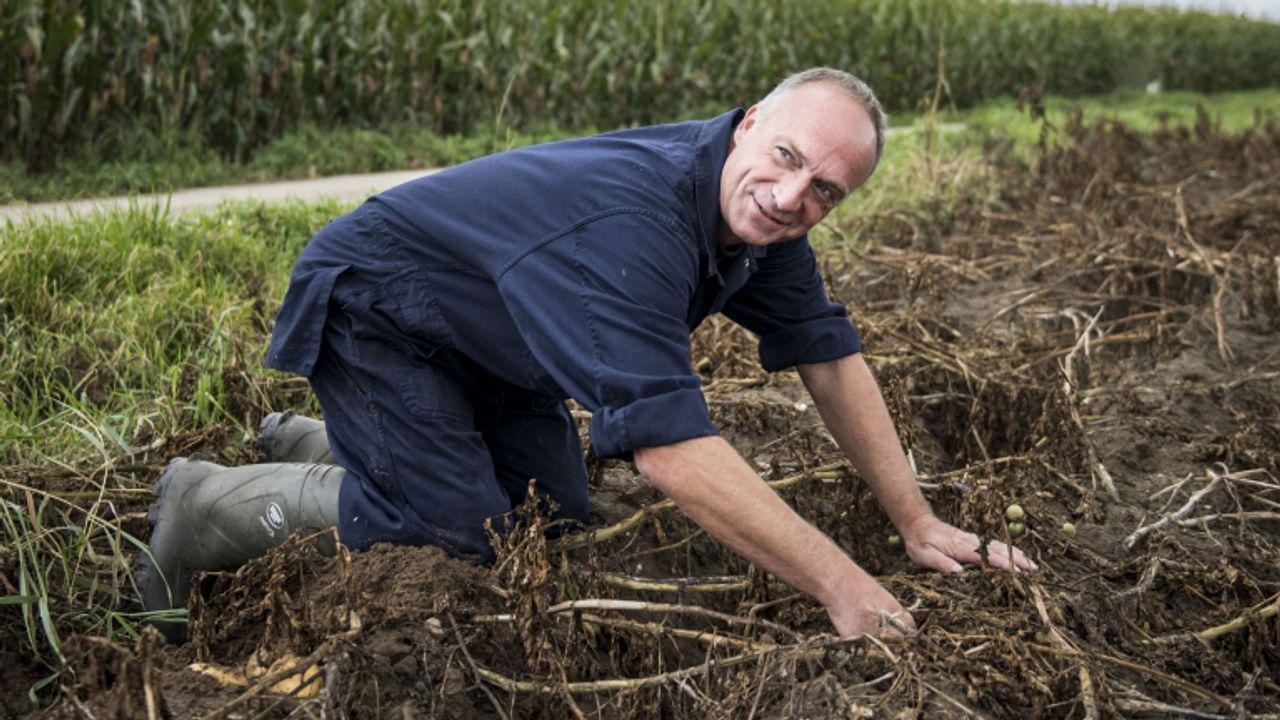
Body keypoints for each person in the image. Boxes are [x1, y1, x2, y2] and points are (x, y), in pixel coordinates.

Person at [138, 67, 1035, 644]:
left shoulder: (757, 224)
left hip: (492, 343)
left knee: (553, 512)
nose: (791, 195)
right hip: (384, 310)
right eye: (787, 156)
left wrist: (916, 523)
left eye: (823, 190)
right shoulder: (638, 224)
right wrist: (841, 583)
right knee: (462, 539)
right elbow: (670, 450)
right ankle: (205, 500)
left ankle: (332, 442)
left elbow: (831, 358)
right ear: (750, 121)